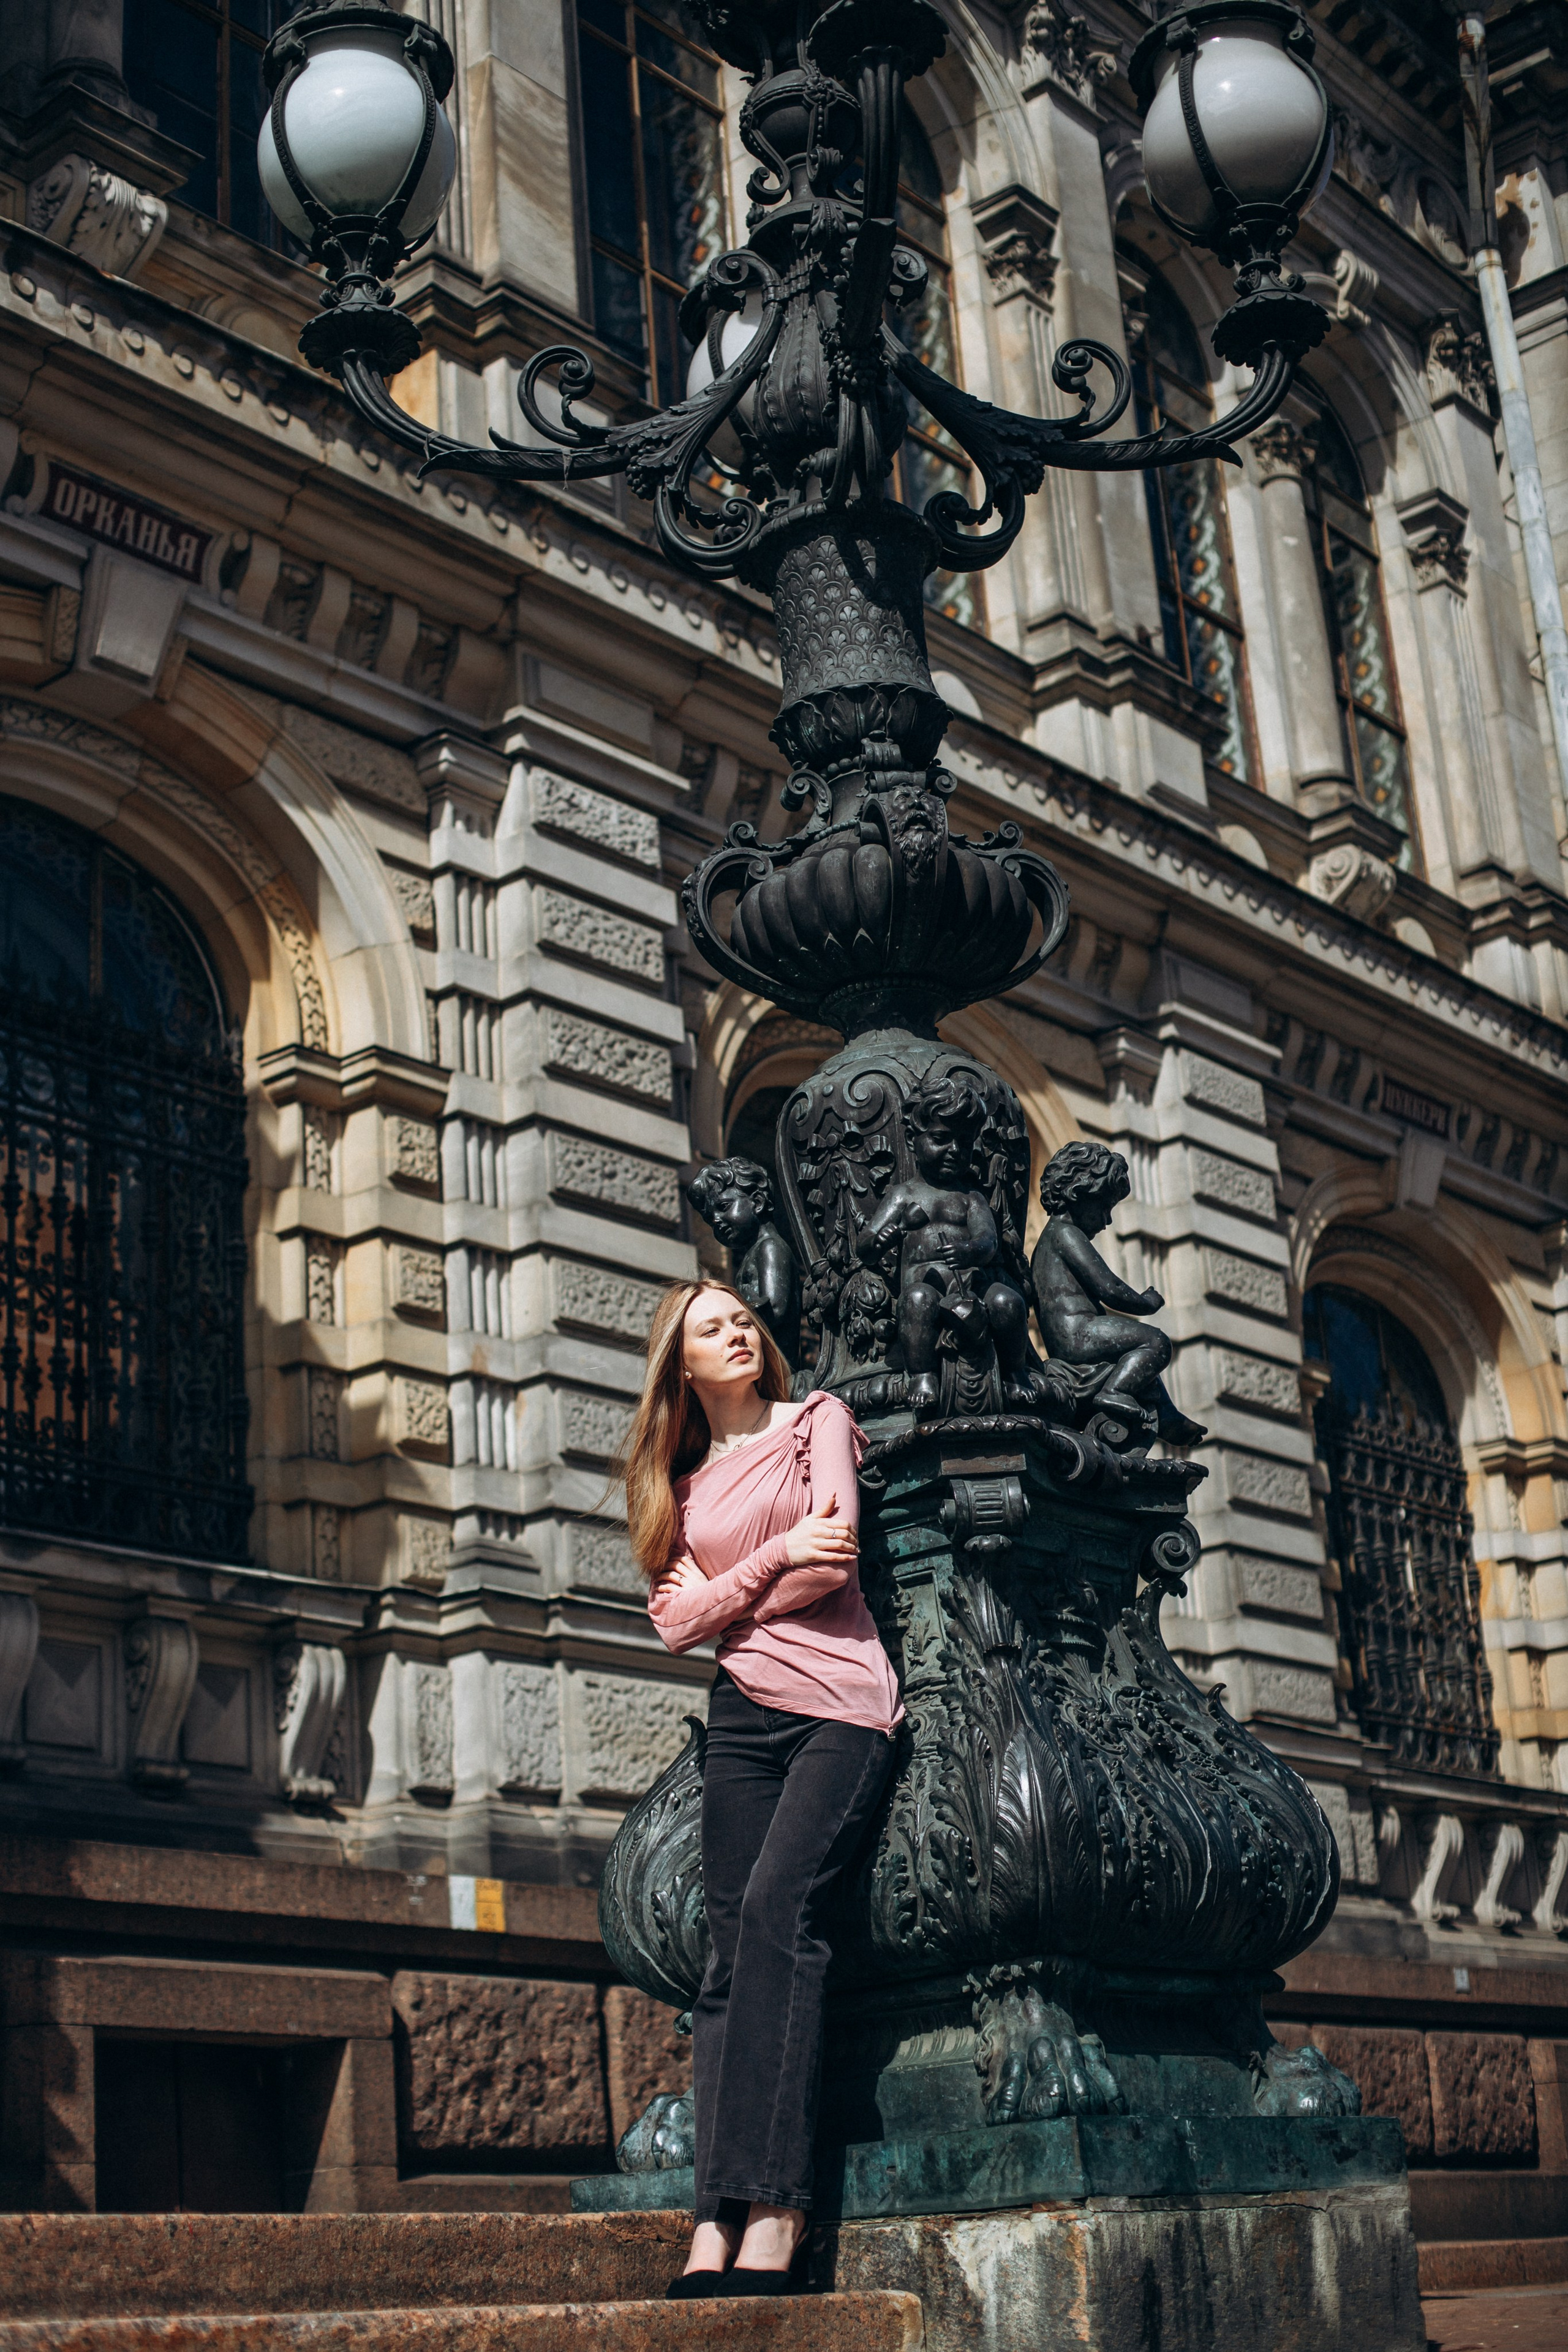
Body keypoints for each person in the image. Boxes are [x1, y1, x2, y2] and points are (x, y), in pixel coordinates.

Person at [621, 1278, 901, 2297]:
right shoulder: (678, 1488)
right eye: (711, 1328)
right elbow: (671, 1624)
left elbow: (834, 1563)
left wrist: (731, 1588)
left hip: (840, 1706)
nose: (737, 1333)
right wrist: (775, 1559)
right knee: (726, 1957)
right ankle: (713, 2218)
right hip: (741, 1720)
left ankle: (778, 2210)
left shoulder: (816, 1421)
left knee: (783, 1912)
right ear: (681, 1366)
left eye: (742, 1320)